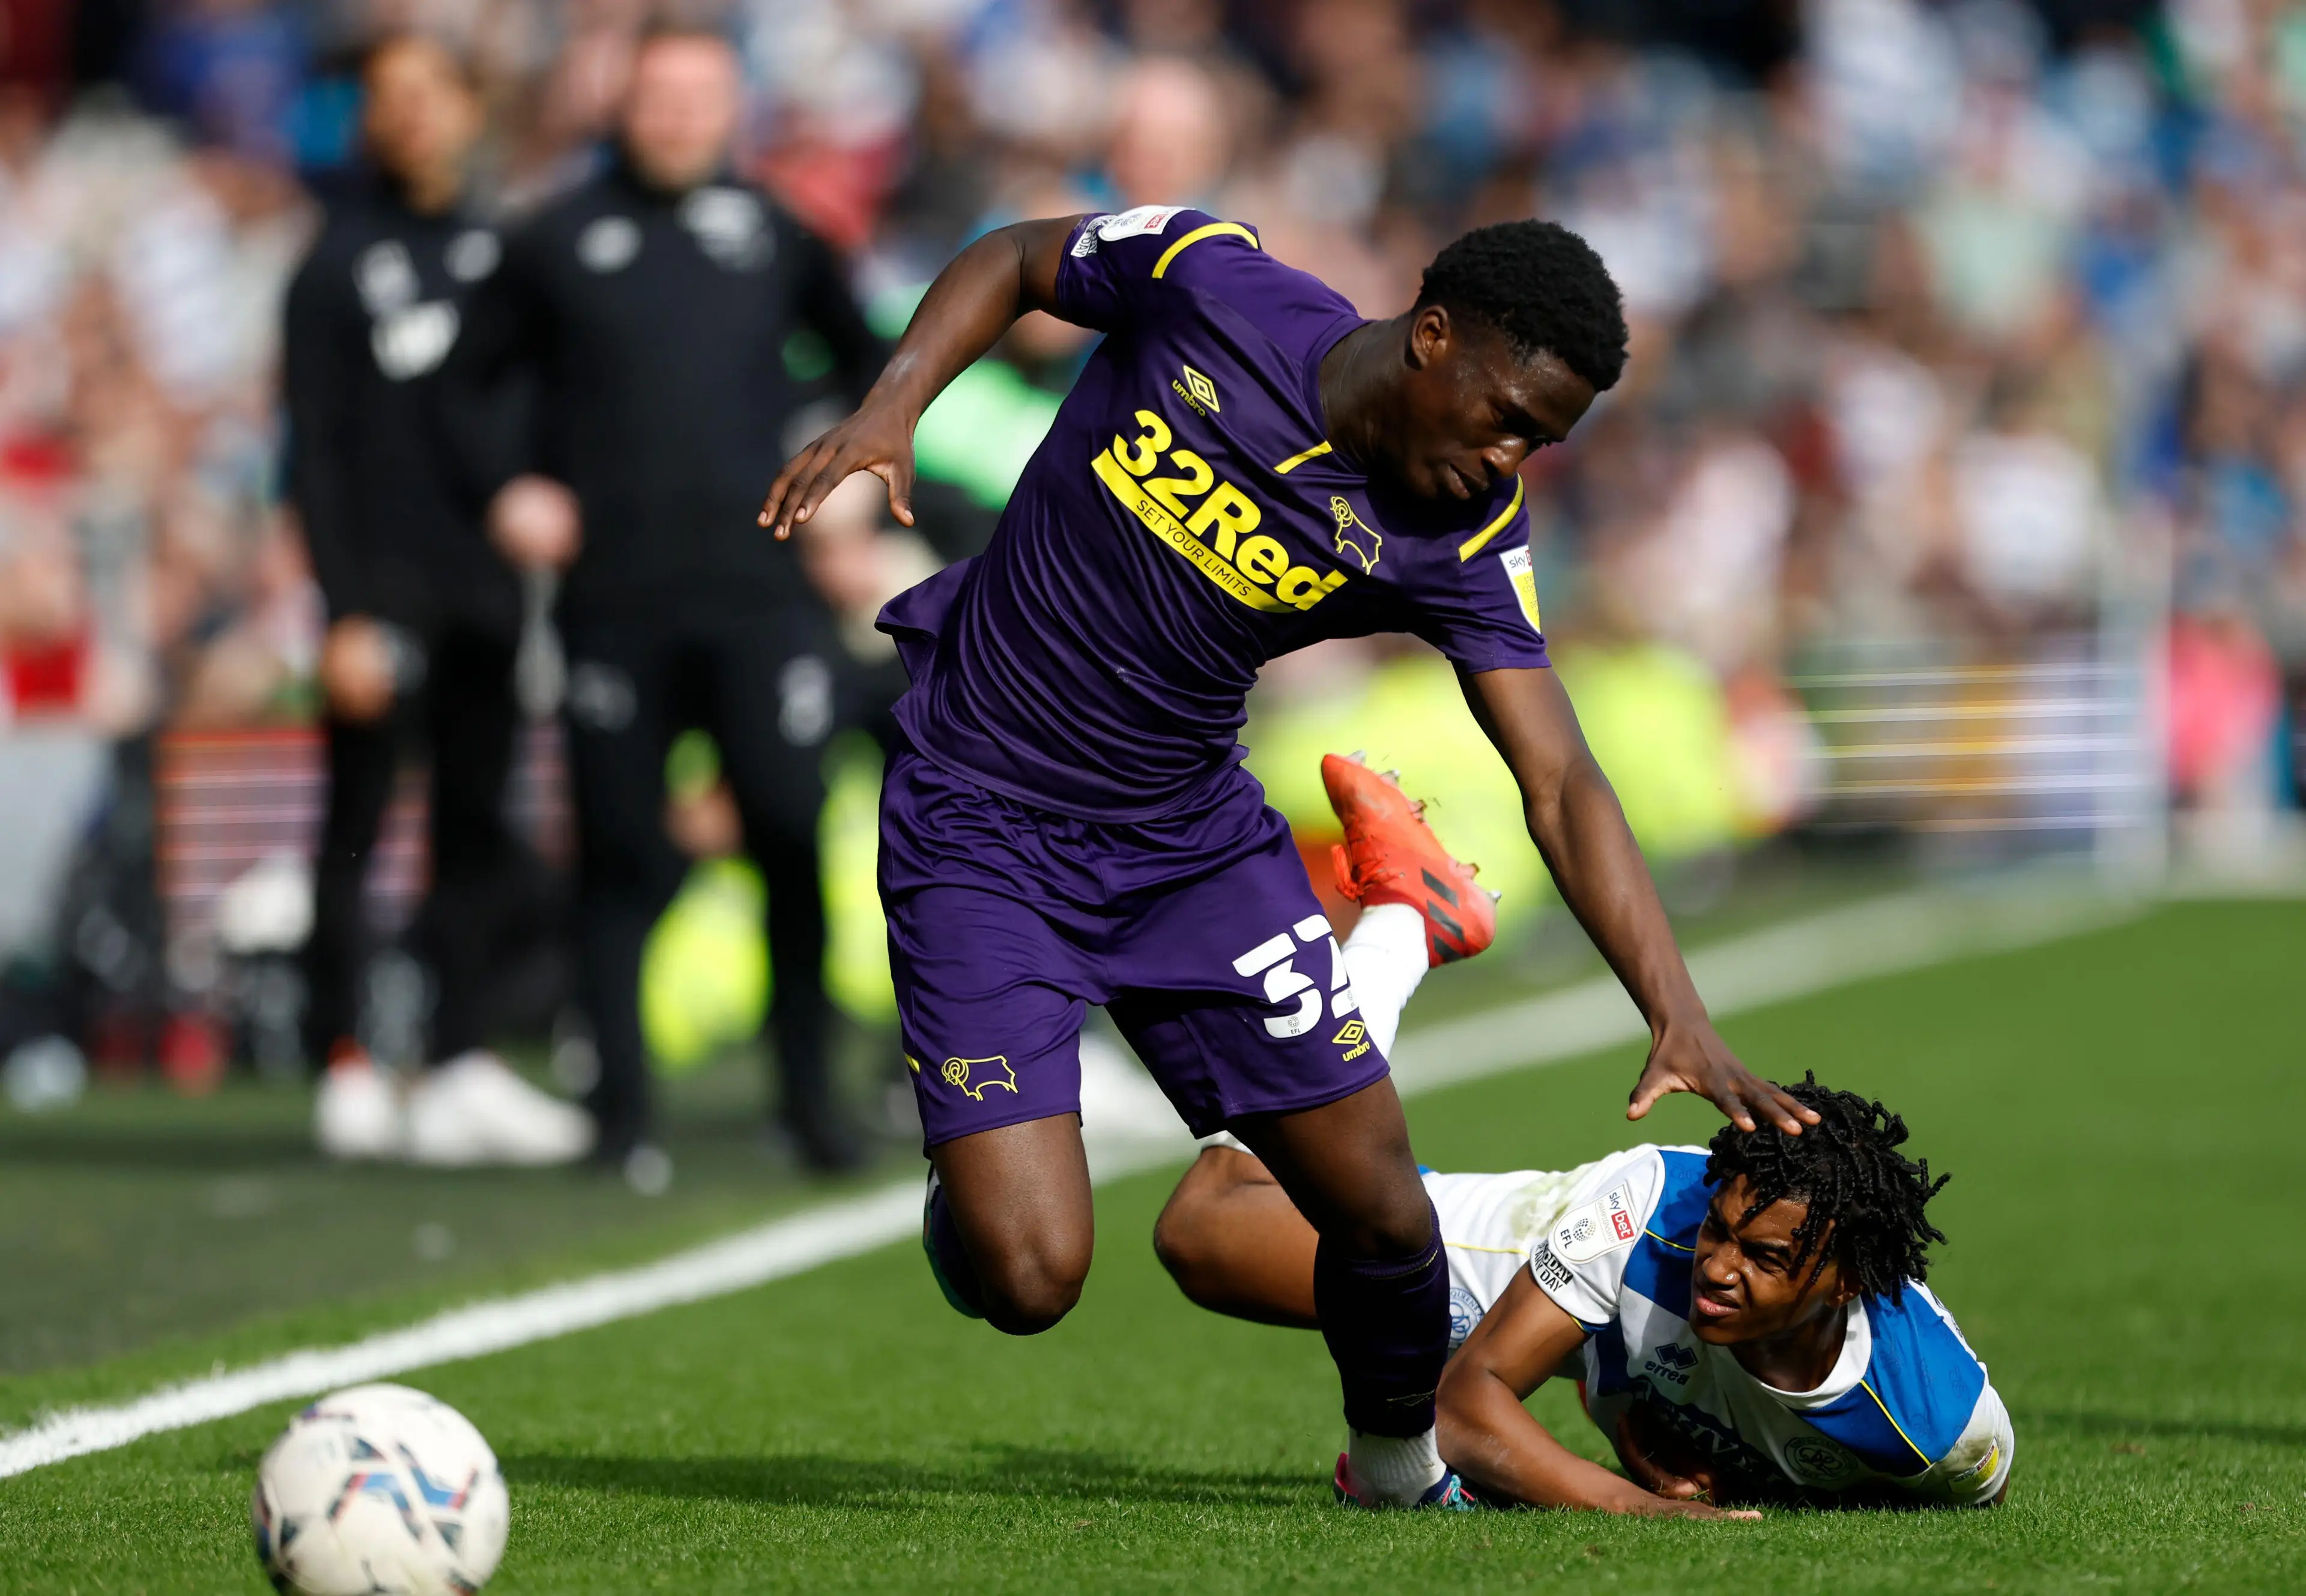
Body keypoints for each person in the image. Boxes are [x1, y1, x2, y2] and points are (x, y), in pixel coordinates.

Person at [759, 205, 1817, 1506]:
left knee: (1384, 1213)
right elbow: (1019, 258)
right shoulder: (1213, 283)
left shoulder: (1466, 537)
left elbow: (1560, 778)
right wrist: (895, 403)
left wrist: (1674, 1009)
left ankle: (1398, 1467)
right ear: (1433, 336)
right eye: (1504, 417)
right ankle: (974, 1182)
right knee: (1026, 1277)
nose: (1508, 460)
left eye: (1539, 443)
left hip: (1187, 852)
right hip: (980, 821)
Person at [1155, 758, 2015, 1514]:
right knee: (1208, 1228)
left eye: (1765, 1256)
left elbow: (1978, 1493)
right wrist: (1639, 1502)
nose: (1718, 1264)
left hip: (1622, 1331)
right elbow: (1463, 1412)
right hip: (1546, 1243)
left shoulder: (1942, 1423)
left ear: (1848, 1280)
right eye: (1720, 1230)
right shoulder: (1652, 1216)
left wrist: (1640, 1409)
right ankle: (1407, 920)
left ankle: (1409, 919)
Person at [443, 25, 885, 1175]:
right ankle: (620, 1115)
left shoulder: (777, 232)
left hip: (759, 597)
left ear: (734, 108)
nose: (679, 116)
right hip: (615, 601)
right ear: (620, 105)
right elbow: (465, 386)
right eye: (659, 96)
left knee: (788, 831)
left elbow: (871, 364)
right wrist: (510, 487)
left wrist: (837, 476)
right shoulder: (553, 240)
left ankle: (811, 1103)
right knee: (620, 853)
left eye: (701, 95)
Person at [283, 32, 591, 1166]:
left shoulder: (508, 253)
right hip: (382, 590)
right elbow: (314, 453)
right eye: (390, 96)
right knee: (357, 825)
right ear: (367, 116)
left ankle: (460, 1060)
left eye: (432, 93)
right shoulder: (333, 262)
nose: (412, 114)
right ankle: (344, 1056)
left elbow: (542, 412)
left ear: (471, 108)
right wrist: (343, 608)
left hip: (487, 590)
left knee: (474, 824)